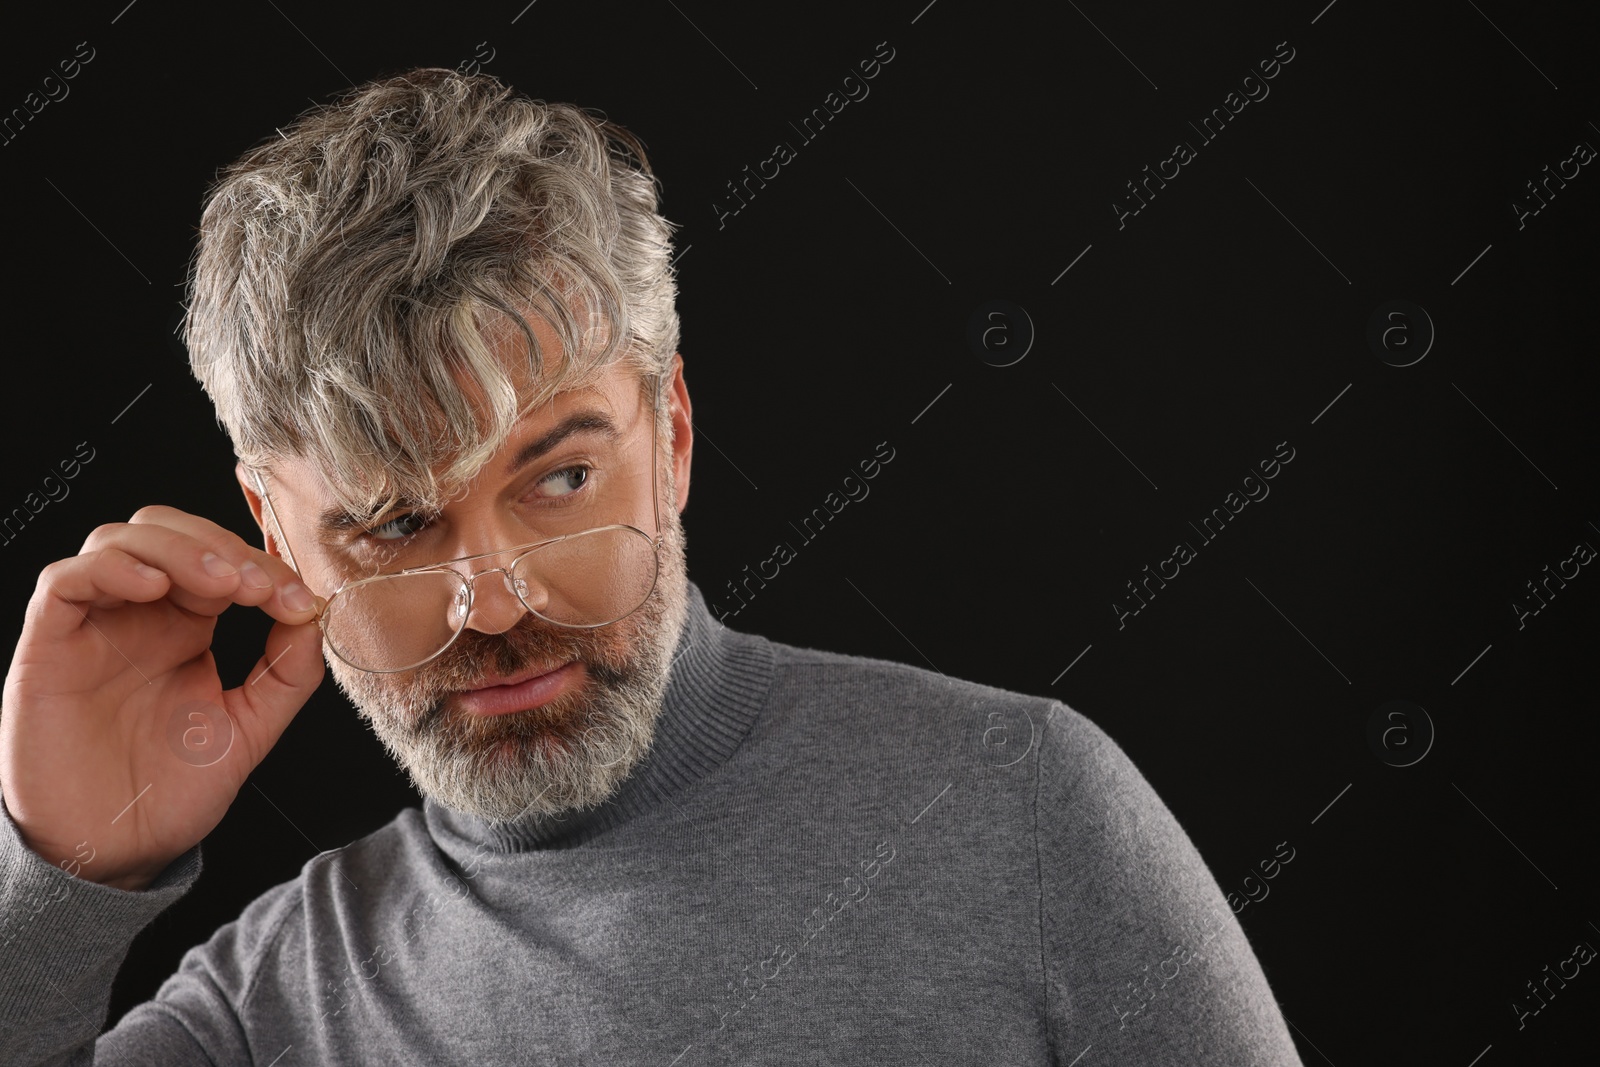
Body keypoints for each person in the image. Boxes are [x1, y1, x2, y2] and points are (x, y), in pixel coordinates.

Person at [0, 67, 1305, 1065]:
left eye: (561, 479)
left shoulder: (1020, 812)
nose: (498, 601)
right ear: (277, 536)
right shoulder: (272, 1008)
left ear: (669, 436)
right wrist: (59, 877)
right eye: (396, 526)